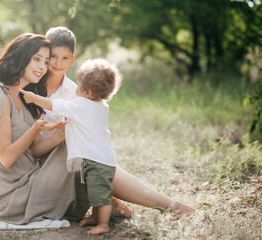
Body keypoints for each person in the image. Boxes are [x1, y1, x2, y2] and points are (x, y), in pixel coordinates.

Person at [42, 26, 196, 219]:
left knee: (96, 161)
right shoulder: (33, 85)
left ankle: (170, 205)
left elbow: (93, 130)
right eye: (53, 56)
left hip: (73, 156)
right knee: (91, 160)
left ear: (72, 60)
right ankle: (120, 202)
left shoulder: (78, 91)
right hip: (45, 159)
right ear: (46, 55)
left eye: (64, 58)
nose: (57, 63)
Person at [0, 33, 90, 224]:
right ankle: (120, 200)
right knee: (84, 151)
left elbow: (32, 152)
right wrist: (35, 129)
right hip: (11, 195)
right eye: (36, 59)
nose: (43, 67)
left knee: (77, 142)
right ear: (21, 57)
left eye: (45, 61)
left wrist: (61, 134)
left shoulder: (24, 97)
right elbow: (6, 158)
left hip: (30, 176)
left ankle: (119, 200)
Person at [21, 58, 122, 235]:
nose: (75, 89)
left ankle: (103, 224)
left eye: (79, 86)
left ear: (88, 92)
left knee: (100, 194)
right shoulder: (101, 105)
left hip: (97, 161)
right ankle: (95, 216)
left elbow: (56, 105)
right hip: (101, 158)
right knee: (94, 191)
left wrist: (34, 98)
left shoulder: (81, 105)